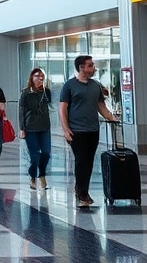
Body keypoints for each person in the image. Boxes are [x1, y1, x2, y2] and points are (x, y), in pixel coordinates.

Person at [60, 55, 117, 208]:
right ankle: (82, 192)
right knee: (81, 160)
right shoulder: (69, 85)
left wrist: (111, 118)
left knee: (89, 160)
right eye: (90, 65)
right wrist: (66, 129)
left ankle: (81, 188)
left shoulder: (95, 85)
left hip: (93, 129)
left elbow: (101, 106)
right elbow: (63, 108)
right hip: (76, 130)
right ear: (81, 68)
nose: (94, 68)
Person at [19, 67, 53, 191]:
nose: (39, 79)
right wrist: (22, 128)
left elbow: (49, 105)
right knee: (34, 156)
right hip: (30, 127)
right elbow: (21, 111)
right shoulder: (26, 93)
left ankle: (42, 174)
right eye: (37, 76)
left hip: (44, 126)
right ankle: (33, 175)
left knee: (46, 153)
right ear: (31, 78)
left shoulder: (46, 92)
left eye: (41, 77)